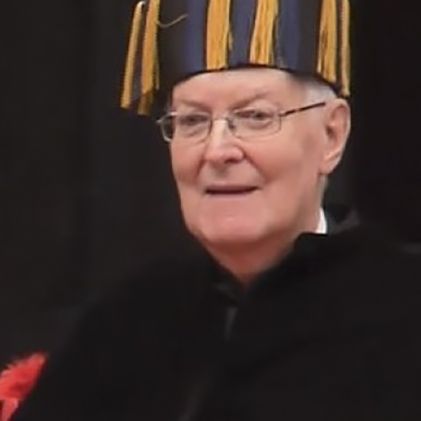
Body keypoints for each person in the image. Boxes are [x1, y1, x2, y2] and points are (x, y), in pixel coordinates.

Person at [10, 1, 421, 420]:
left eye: (255, 117)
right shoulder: (121, 325)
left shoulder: (404, 314)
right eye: (192, 121)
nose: (217, 150)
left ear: (332, 135)